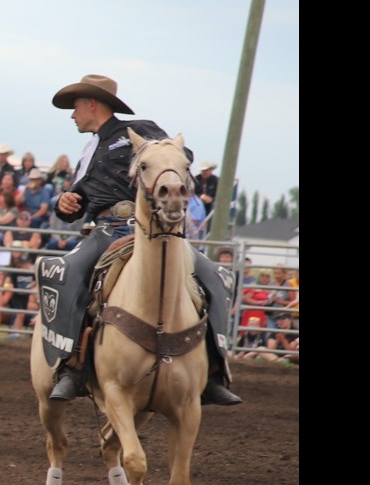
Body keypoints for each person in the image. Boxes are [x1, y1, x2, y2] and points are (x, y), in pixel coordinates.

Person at [45, 74, 241, 405]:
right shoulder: (88, 149)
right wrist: (65, 203)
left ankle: (213, 371)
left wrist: (153, 154)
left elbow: (181, 154)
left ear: (92, 104)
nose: (72, 114)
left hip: (154, 229)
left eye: (76, 106)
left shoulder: (139, 131)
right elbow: (75, 201)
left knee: (217, 276)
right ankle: (71, 366)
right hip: (106, 230)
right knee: (65, 273)